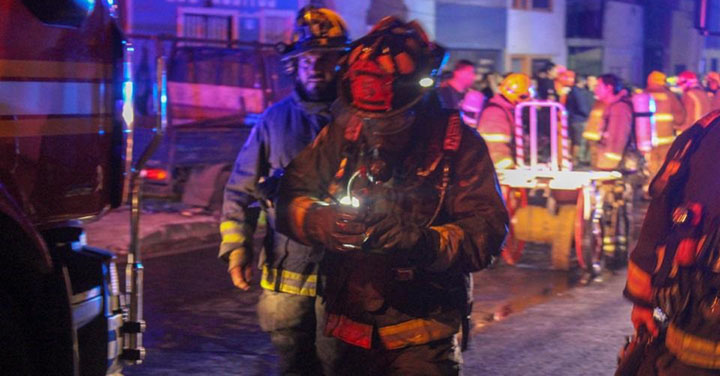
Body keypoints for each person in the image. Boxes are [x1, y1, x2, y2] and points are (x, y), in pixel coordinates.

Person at [276, 17, 508, 375]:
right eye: (366, 119)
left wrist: (422, 242)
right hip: (347, 329)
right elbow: (291, 196)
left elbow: (487, 233)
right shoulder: (344, 131)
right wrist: (320, 221)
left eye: (392, 121)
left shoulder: (458, 145)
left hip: (423, 338)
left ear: (420, 98)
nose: (377, 131)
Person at [218, 6, 349, 375]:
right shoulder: (274, 121)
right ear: (295, 65)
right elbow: (240, 191)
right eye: (307, 59)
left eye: (326, 58)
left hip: (345, 275)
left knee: (339, 362)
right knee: (293, 365)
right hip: (285, 276)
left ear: (341, 63)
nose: (316, 66)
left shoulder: (359, 121)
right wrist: (236, 249)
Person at [622, 109, 720, 375]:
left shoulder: (700, 134)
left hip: (693, 326)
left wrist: (642, 301)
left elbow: (657, 221)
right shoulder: (702, 133)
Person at [476, 73, 532, 170]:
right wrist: (510, 172)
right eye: (523, 96)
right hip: (498, 173)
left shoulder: (506, 110)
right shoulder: (495, 113)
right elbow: (495, 150)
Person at [642, 71, 685, 186]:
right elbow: (680, 117)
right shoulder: (669, 95)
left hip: (647, 139)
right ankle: (663, 190)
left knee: (650, 165)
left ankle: (649, 189)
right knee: (664, 166)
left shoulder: (643, 94)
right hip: (665, 138)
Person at [583, 73, 634, 171]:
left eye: (598, 86)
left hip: (610, 165)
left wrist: (608, 164)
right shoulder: (609, 105)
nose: (595, 89)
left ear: (609, 88)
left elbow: (617, 138)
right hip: (603, 158)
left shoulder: (619, 108)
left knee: (608, 186)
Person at [565, 74, 594, 166]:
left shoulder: (572, 91)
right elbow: (582, 107)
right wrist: (589, 115)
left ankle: (573, 160)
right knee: (578, 141)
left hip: (573, 119)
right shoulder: (578, 92)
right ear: (583, 81)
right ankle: (575, 161)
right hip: (580, 120)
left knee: (574, 140)